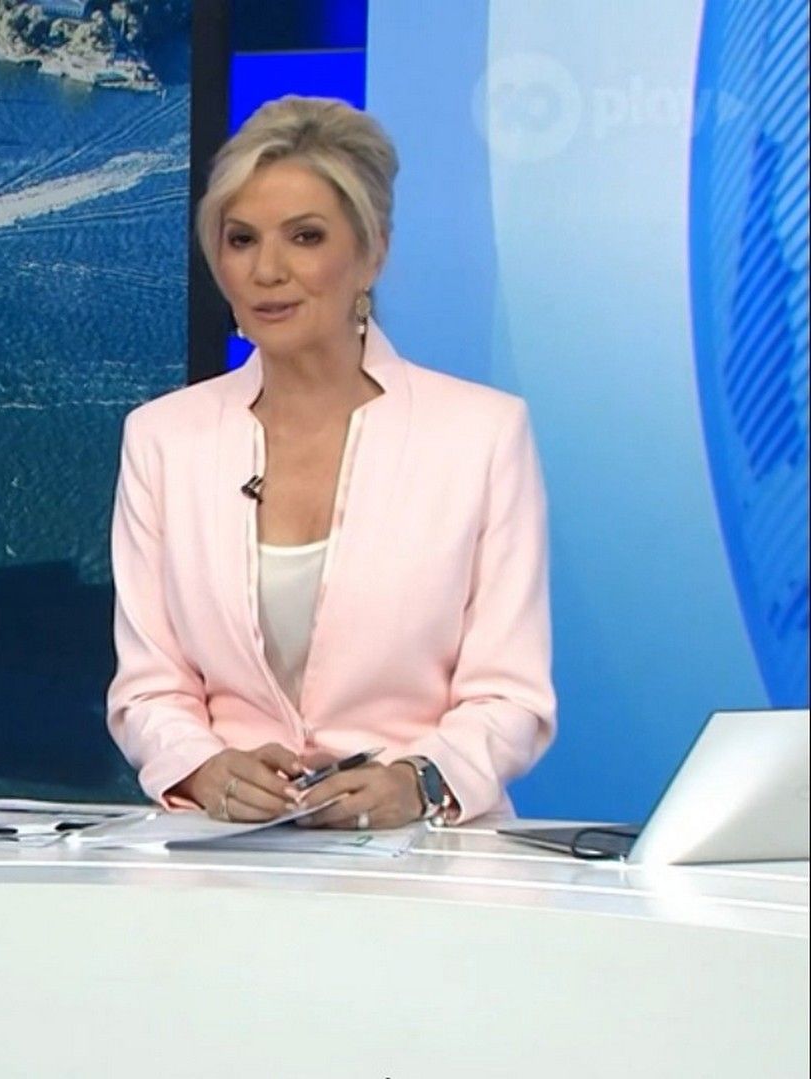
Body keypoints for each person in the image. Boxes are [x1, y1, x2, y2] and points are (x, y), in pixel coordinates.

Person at [107, 97, 554, 829]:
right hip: (224, 849)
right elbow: (148, 689)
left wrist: (418, 780)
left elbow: (509, 696)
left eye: (305, 237)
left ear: (371, 253)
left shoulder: (481, 435)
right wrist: (204, 767)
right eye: (241, 240)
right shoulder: (163, 439)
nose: (267, 270)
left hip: (421, 851)